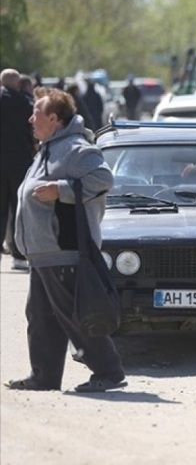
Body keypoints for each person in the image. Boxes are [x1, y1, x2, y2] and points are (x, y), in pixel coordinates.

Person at [5, 87, 125, 393]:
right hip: (43, 254)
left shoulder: (76, 149)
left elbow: (102, 179)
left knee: (76, 316)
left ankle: (109, 372)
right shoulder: (46, 148)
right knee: (41, 317)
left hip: (65, 252)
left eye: (37, 114)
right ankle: (44, 377)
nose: (31, 119)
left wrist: (61, 189)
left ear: (55, 119)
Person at [0, 68, 35, 271]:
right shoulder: (26, 103)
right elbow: (33, 130)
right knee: (18, 207)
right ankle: (18, 255)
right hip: (20, 161)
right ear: (17, 83)